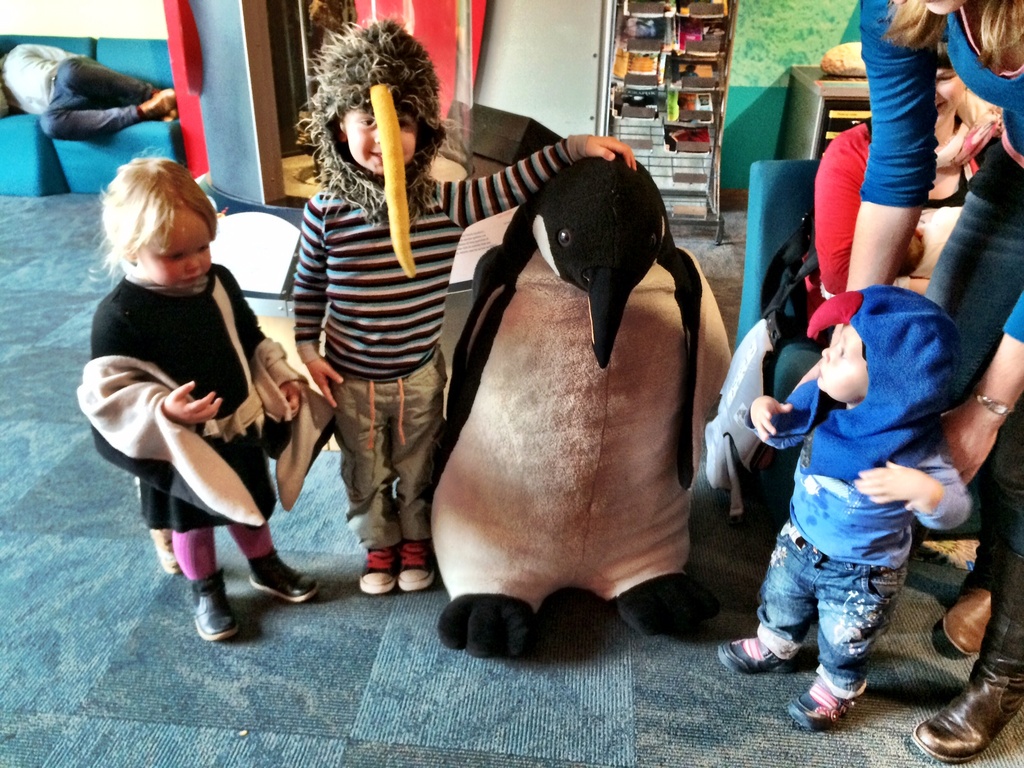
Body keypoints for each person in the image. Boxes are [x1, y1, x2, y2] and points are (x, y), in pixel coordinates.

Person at [293, 19, 636, 596]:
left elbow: (514, 183)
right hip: (351, 378)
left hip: (419, 374)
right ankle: (378, 543)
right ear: (337, 128)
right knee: (364, 469)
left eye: (400, 123)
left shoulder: (444, 204)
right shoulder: (324, 212)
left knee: (420, 463)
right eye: (366, 121)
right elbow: (308, 288)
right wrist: (306, 346)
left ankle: (415, 537)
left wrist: (574, 147)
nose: (382, 136)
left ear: (423, 132)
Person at [854, 0, 1024, 761]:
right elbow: (897, 165)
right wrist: (857, 325)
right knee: (929, 374)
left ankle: (1005, 675)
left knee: (1013, 444)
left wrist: (989, 410)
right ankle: (987, 573)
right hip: (1017, 176)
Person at [78, 158, 326, 642]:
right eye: (175, 255)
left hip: (236, 426)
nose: (195, 263)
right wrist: (163, 409)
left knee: (249, 504)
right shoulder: (119, 315)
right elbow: (110, 394)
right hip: (179, 446)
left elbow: (250, 338)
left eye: (203, 247)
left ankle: (264, 563)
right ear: (131, 248)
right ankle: (207, 588)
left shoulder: (220, 282)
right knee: (191, 522)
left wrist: (279, 375)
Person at [718, 286, 972, 731]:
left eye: (842, 351)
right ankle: (777, 643)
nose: (825, 356)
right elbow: (782, 427)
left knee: (846, 635)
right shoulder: (826, 403)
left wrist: (924, 491)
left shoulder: (916, 446)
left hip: (863, 572)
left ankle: (838, 685)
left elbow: (955, 509)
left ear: (892, 382)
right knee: (781, 599)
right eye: (832, 344)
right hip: (800, 541)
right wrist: (763, 410)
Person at [810, 44, 1000, 317]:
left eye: (943, 78)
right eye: (912, 76)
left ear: (965, 78)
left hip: (975, 315)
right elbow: (843, 279)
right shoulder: (852, 153)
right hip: (873, 316)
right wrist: (960, 292)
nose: (926, 91)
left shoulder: (992, 148)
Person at [0, 43, 176, 140]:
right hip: (63, 107)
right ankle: (145, 112)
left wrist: (91, 78)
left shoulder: (18, 53)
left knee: (69, 71)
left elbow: (75, 60)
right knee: (49, 124)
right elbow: (2, 109)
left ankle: (153, 95)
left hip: (74, 81)